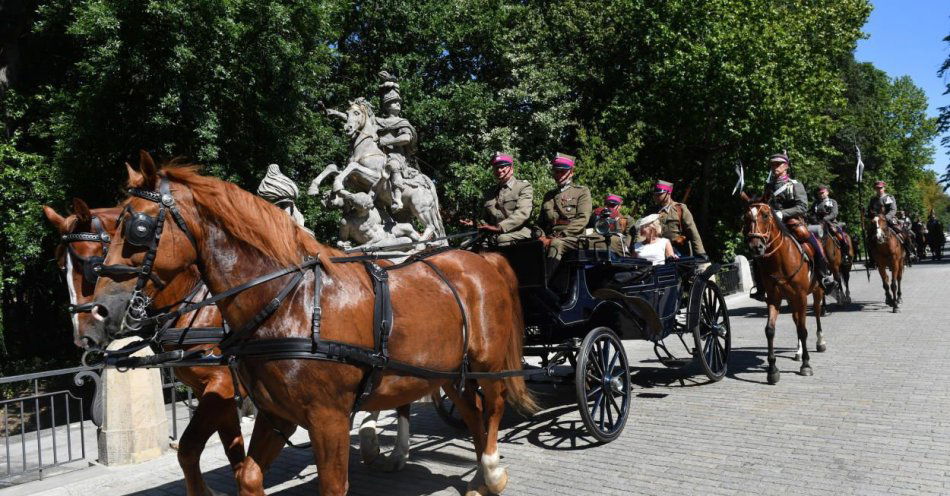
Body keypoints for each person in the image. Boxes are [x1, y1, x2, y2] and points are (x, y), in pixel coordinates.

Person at [750, 153, 835, 301]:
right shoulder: (768, 187)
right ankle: (761, 286)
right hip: (772, 225)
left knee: (810, 239)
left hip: (792, 222)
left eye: (778, 164)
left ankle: (824, 275)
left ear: (786, 166)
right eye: (773, 165)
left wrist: (782, 213)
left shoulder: (795, 184)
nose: (775, 167)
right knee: (757, 247)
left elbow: (802, 207)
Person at [538, 153, 592, 279]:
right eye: (556, 171)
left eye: (562, 171)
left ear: (571, 172)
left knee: (557, 244)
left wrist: (561, 235)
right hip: (550, 236)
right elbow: (540, 223)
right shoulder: (548, 196)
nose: (558, 175)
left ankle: (544, 283)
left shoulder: (581, 192)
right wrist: (540, 235)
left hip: (574, 237)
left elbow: (582, 219)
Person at [468, 152, 534, 246]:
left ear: (511, 169)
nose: (499, 170)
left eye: (503, 166)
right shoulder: (489, 192)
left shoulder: (523, 187)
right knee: (469, 242)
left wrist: (499, 227)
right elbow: (484, 218)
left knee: (502, 240)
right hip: (493, 233)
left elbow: (522, 213)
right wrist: (477, 225)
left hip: (518, 231)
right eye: (496, 167)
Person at [375, 72, 418, 211]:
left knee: (393, 165)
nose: (397, 104)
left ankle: (398, 199)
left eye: (398, 102)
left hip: (396, 156)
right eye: (394, 102)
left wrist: (386, 142)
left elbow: (406, 138)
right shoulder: (378, 121)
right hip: (378, 156)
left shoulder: (402, 122)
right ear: (387, 106)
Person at [652, 180, 706, 258]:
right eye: (655, 194)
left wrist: (700, 252)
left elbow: (692, 231)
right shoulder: (652, 211)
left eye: (659, 194)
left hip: (679, 252)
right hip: (658, 253)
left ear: (668, 193)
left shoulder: (680, 209)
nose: (656, 197)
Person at [865, 181, 913, 265]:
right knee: (869, 236)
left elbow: (893, 209)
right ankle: (872, 258)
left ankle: (909, 252)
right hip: (877, 221)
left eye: (880, 188)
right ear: (875, 189)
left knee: (903, 232)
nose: (879, 190)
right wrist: (867, 213)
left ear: (884, 188)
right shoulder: (873, 199)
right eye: (877, 188)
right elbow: (870, 211)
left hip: (889, 219)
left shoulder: (889, 197)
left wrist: (885, 218)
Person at [810, 185, 851, 262]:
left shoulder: (833, 202)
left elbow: (834, 213)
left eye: (822, 192)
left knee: (839, 235)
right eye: (819, 193)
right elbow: (812, 213)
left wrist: (825, 219)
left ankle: (845, 253)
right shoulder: (815, 203)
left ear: (827, 192)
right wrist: (813, 219)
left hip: (831, 223)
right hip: (818, 224)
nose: (821, 194)